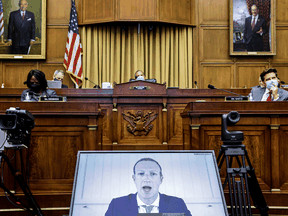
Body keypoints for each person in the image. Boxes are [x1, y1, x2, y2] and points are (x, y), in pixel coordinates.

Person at [105, 158, 192, 216]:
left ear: (161, 179)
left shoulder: (177, 204)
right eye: (141, 173)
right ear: (134, 179)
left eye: (153, 174)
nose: (147, 179)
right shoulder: (116, 205)